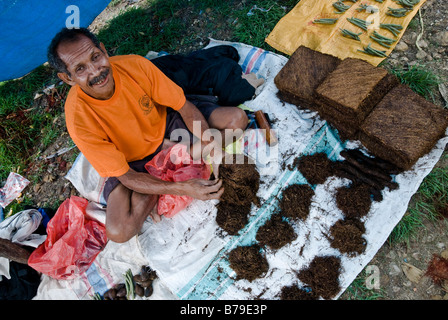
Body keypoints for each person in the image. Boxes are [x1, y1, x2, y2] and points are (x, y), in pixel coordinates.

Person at [47, 27, 250, 243]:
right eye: (80, 69)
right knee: (119, 231)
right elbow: (125, 176)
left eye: (96, 57)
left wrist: (215, 151)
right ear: (67, 78)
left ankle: (173, 162)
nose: (96, 71)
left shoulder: (134, 66)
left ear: (104, 50)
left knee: (237, 120)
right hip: (133, 164)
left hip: (167, 127)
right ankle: (170, 168)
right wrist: (182, 187)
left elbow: (183, 106)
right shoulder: (78, 119)